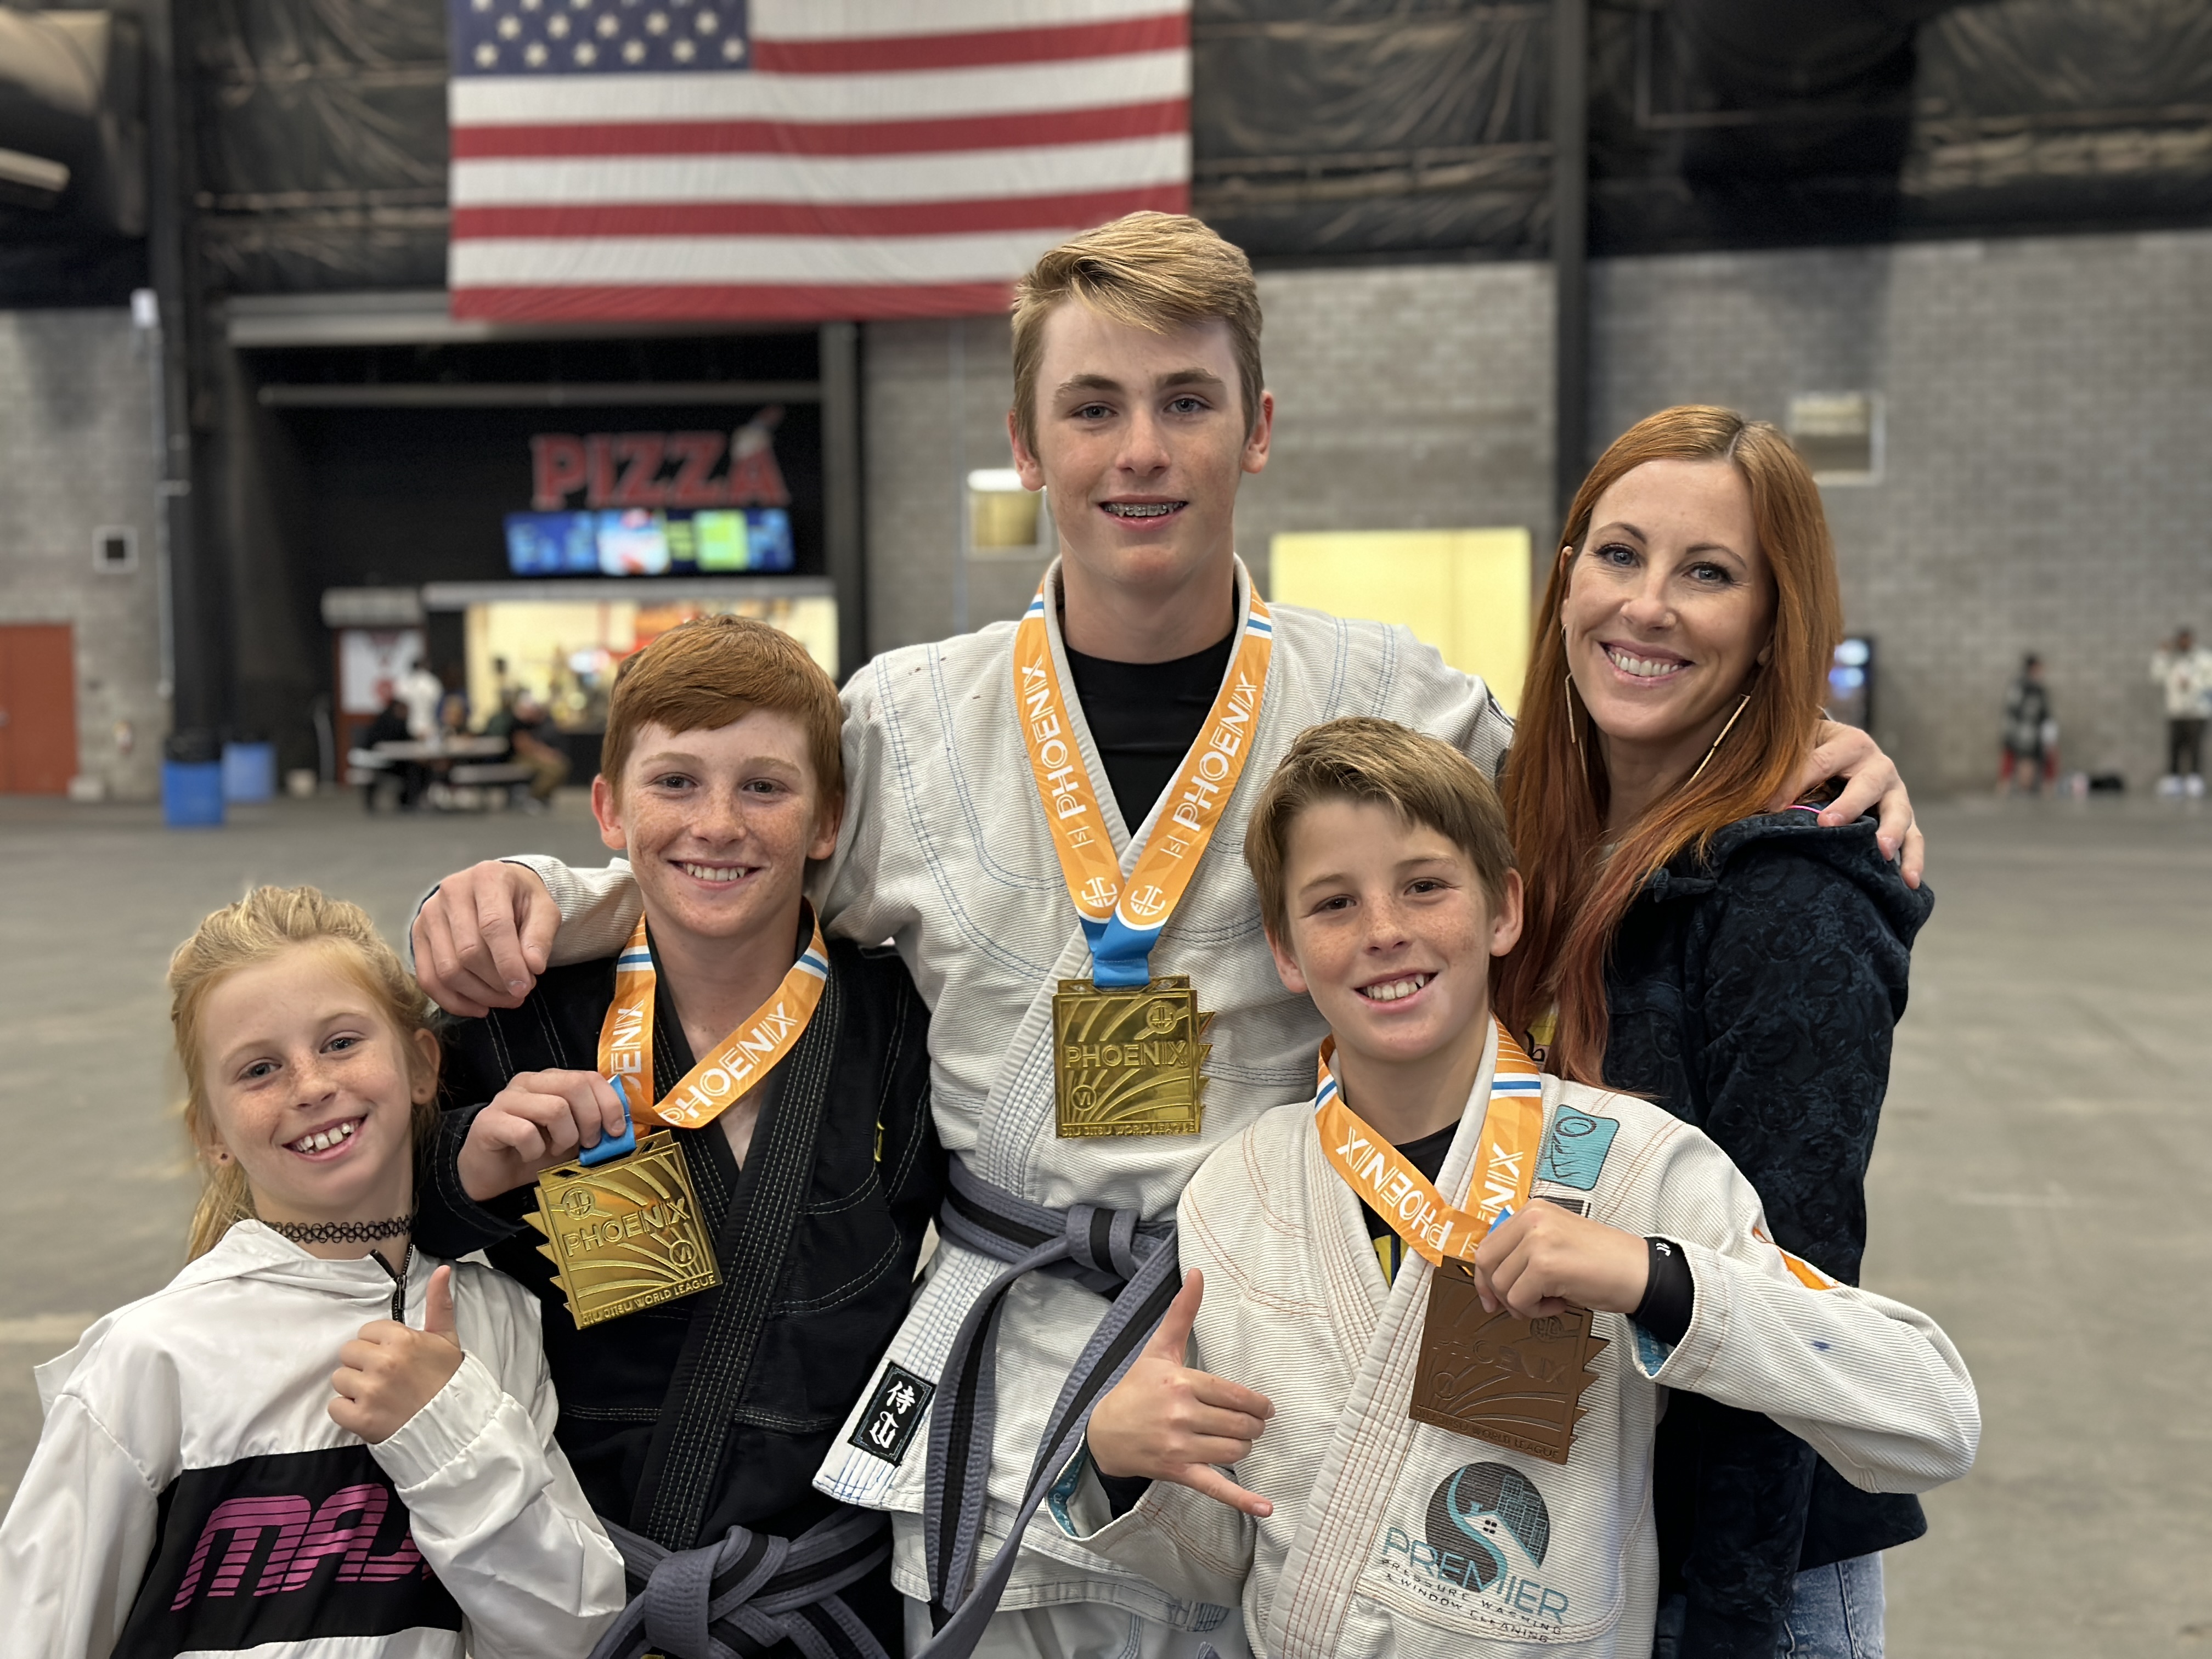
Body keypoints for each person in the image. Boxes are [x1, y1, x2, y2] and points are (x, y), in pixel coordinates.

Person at [405, 215, 1922, 1659]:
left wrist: (1803, 748)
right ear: (1027, 446)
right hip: (1003, 1360)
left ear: (1257, 428)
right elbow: (733, 845)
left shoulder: (1397, 701)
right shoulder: (904, 722)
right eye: (1094, 406)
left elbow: (1596, 795)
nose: (1142, 449)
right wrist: (551, 889)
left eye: (1188, 401)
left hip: (1280, 1346)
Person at [1059, 718, 1977, 1658]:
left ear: (1503, 909)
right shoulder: (1240, 1190)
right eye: (1333, 902)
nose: (1384, 930)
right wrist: (1120, 1462)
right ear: (1285, 949)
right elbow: (1225, 1559)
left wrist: (1654, 1277)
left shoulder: (1631, 1164)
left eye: (1424, 885)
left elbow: (1933, 1418)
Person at [1491, 407, 1938, 1659]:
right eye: (1619, 555)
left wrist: (1729, 1628)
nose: (1648, 607)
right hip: (1564, 1528)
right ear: (1566, 576)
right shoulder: (1525, 842)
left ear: (1769, 630)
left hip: (1733, 1576)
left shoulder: (1790, 898)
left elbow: (1792, 1304)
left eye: (1709, 573)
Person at [410, 616, 943, 1659]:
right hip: (570, 1589)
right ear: (608, 807)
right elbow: (382, 1219)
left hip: (826, 1598)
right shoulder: (520, 1013)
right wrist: (467, 1163)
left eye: (764, 785)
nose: (717, 822)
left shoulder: (897, 1022)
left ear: (827, 817)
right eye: (676, 782)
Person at [0, 885, 625, 1657]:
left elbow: (576, 1635)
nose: (311, 1086)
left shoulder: (500, 1319)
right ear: (212, 1134)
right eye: (259, 1070)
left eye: (340, 1043)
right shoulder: (148, 1360)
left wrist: (448, 1435)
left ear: (422, 1066)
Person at [2149, 628, 2211, 796]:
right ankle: (2173, 778)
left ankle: (2194, 778)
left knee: (2195, 746)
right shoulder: (2171, 660)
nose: (2184, 643)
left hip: (2197, 711)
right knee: (2174, 746)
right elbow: (2156, 676)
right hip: (2176, 711)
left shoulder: (2204, 658)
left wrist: (2192, 684)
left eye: (2187, 640)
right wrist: (2161, 654)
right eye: (2181, 640)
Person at [486, 691, 571, 809]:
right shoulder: (517, 723)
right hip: (518, 759)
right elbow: (524, 746)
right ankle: (533, 797)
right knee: (555, 770)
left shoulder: (538, 722)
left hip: (534, 757)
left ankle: (540, 796)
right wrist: (544, 755)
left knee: (560, 767)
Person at [2000, 654, 2052, 794]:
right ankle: (2011, 789)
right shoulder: (2021, 687)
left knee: (2031, 761)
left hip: (2032, 734)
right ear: (2032, 668)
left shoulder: (2038, 689)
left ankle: (2027, 789)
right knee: (2023, 760)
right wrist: (2014, 733)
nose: (2041, 672)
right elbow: (2014, 711)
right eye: (2039, 669)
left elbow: (2044, 713)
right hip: (2022, 734)